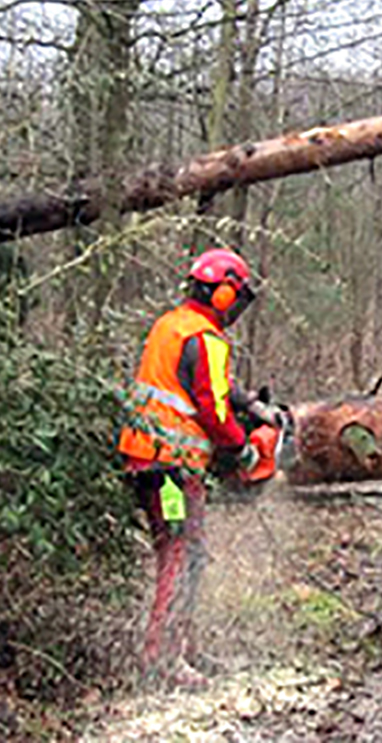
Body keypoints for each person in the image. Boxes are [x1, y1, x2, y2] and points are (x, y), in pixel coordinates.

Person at [115, 248, 261, 689]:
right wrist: (242, 447)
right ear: (221, 294)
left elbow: (206, 384)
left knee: (182, 551)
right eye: (233, 297)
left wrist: (251, 404)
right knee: (182, 554)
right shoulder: (208, 339)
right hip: (172, 471)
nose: (234, 308)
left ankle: (182, 648)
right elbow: (212, 409)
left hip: (144, 459)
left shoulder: (171, 325)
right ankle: (162, 660)